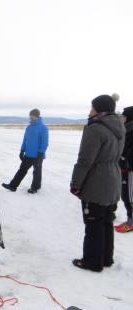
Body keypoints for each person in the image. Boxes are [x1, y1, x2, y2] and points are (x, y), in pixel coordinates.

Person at [70, 94, 125, 272]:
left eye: (92, 107)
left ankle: (92, 261)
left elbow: (85, 160)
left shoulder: (95, 128)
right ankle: (106, 258)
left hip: (97, 182)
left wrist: (76, 183)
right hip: (113, 180)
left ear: (98, 108)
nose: (90, 110)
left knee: (94, 223)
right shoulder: (119, 125)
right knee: (106, 221)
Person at [2, 109, 49, 194]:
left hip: (38, 155)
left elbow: (45, 143)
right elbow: (25, 140)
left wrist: (41, 153)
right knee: (22, 170)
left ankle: (35, 187)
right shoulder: (29, 127)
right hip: (28, 154)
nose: (30, 118)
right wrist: (22, 150)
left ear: (37, 116)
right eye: (30, 116)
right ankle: (13, 186)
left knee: (37, 172)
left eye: (32, 116)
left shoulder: (43, 128)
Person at [117, 106, 133, 233]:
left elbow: (129, 151)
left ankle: (131, 222)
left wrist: (123, 155)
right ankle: (129, 219)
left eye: (124, 116)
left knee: (130, 197)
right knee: (125, 195)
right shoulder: (125, 130)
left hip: (130, 169)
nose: (122, 118)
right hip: (124, 168)